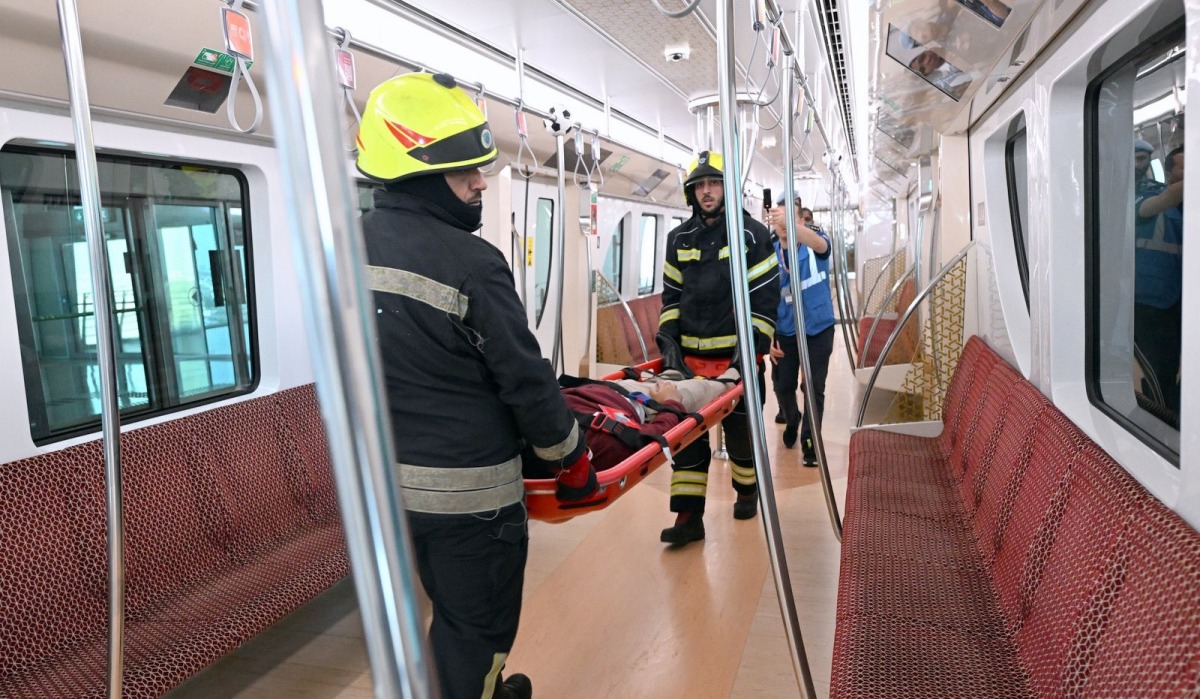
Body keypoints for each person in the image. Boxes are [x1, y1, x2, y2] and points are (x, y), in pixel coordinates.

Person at [356, 72, 597, 699]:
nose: (479, 182)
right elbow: (526, 381)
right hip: (472, 503)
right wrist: (571, 457)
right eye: (464, 172)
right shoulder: (474, 263)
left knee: (444, 614)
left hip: (388, 492)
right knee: (475, 631)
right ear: (416, 174)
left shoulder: (344, 248)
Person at [656, 151, 780, 545]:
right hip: (690, 366)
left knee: (742, 436)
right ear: (691, 192)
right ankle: (688, 518)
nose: (707, 191)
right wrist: (669, 350)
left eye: (714, 183)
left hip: (736, 364)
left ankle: (747, 491)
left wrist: (747, 359)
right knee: (686, 442)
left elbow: (764, 305)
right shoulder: (678, 239)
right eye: (700, 185)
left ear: (727, 189)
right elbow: (670, 301)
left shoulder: (752, 236)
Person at [523, 370, 738, 475]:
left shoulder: (534, 413)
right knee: (707, 389)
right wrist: (670, 402)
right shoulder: (603, 446)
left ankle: (675, 371)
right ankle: (736, 373)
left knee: (670, 374)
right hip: (644, 403)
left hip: (604, 388)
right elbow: (654, 438)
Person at [769, 200, 836, 465]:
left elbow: (822, 246)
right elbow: (765, 298)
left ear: (801, 222)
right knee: (782, 385)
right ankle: (791, 416)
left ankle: (810, 442)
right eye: (779, 220)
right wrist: (770, 336)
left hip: (818, 328)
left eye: (790, 220)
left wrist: (790, 225)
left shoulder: (815, 245)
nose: (784, 225)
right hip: (786, 330)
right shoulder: (770, 253)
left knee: (813, 386)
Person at [1133, 143, 1183, 414]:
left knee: (1173, 368)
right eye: (1137, 158)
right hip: (1144, 304)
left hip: (1174, 301)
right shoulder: (1133, 198)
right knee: (1157, 372)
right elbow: (1158, 204)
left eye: (1145, 159)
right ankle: (1163, 429)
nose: (1141, 165)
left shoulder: (1176, 200)